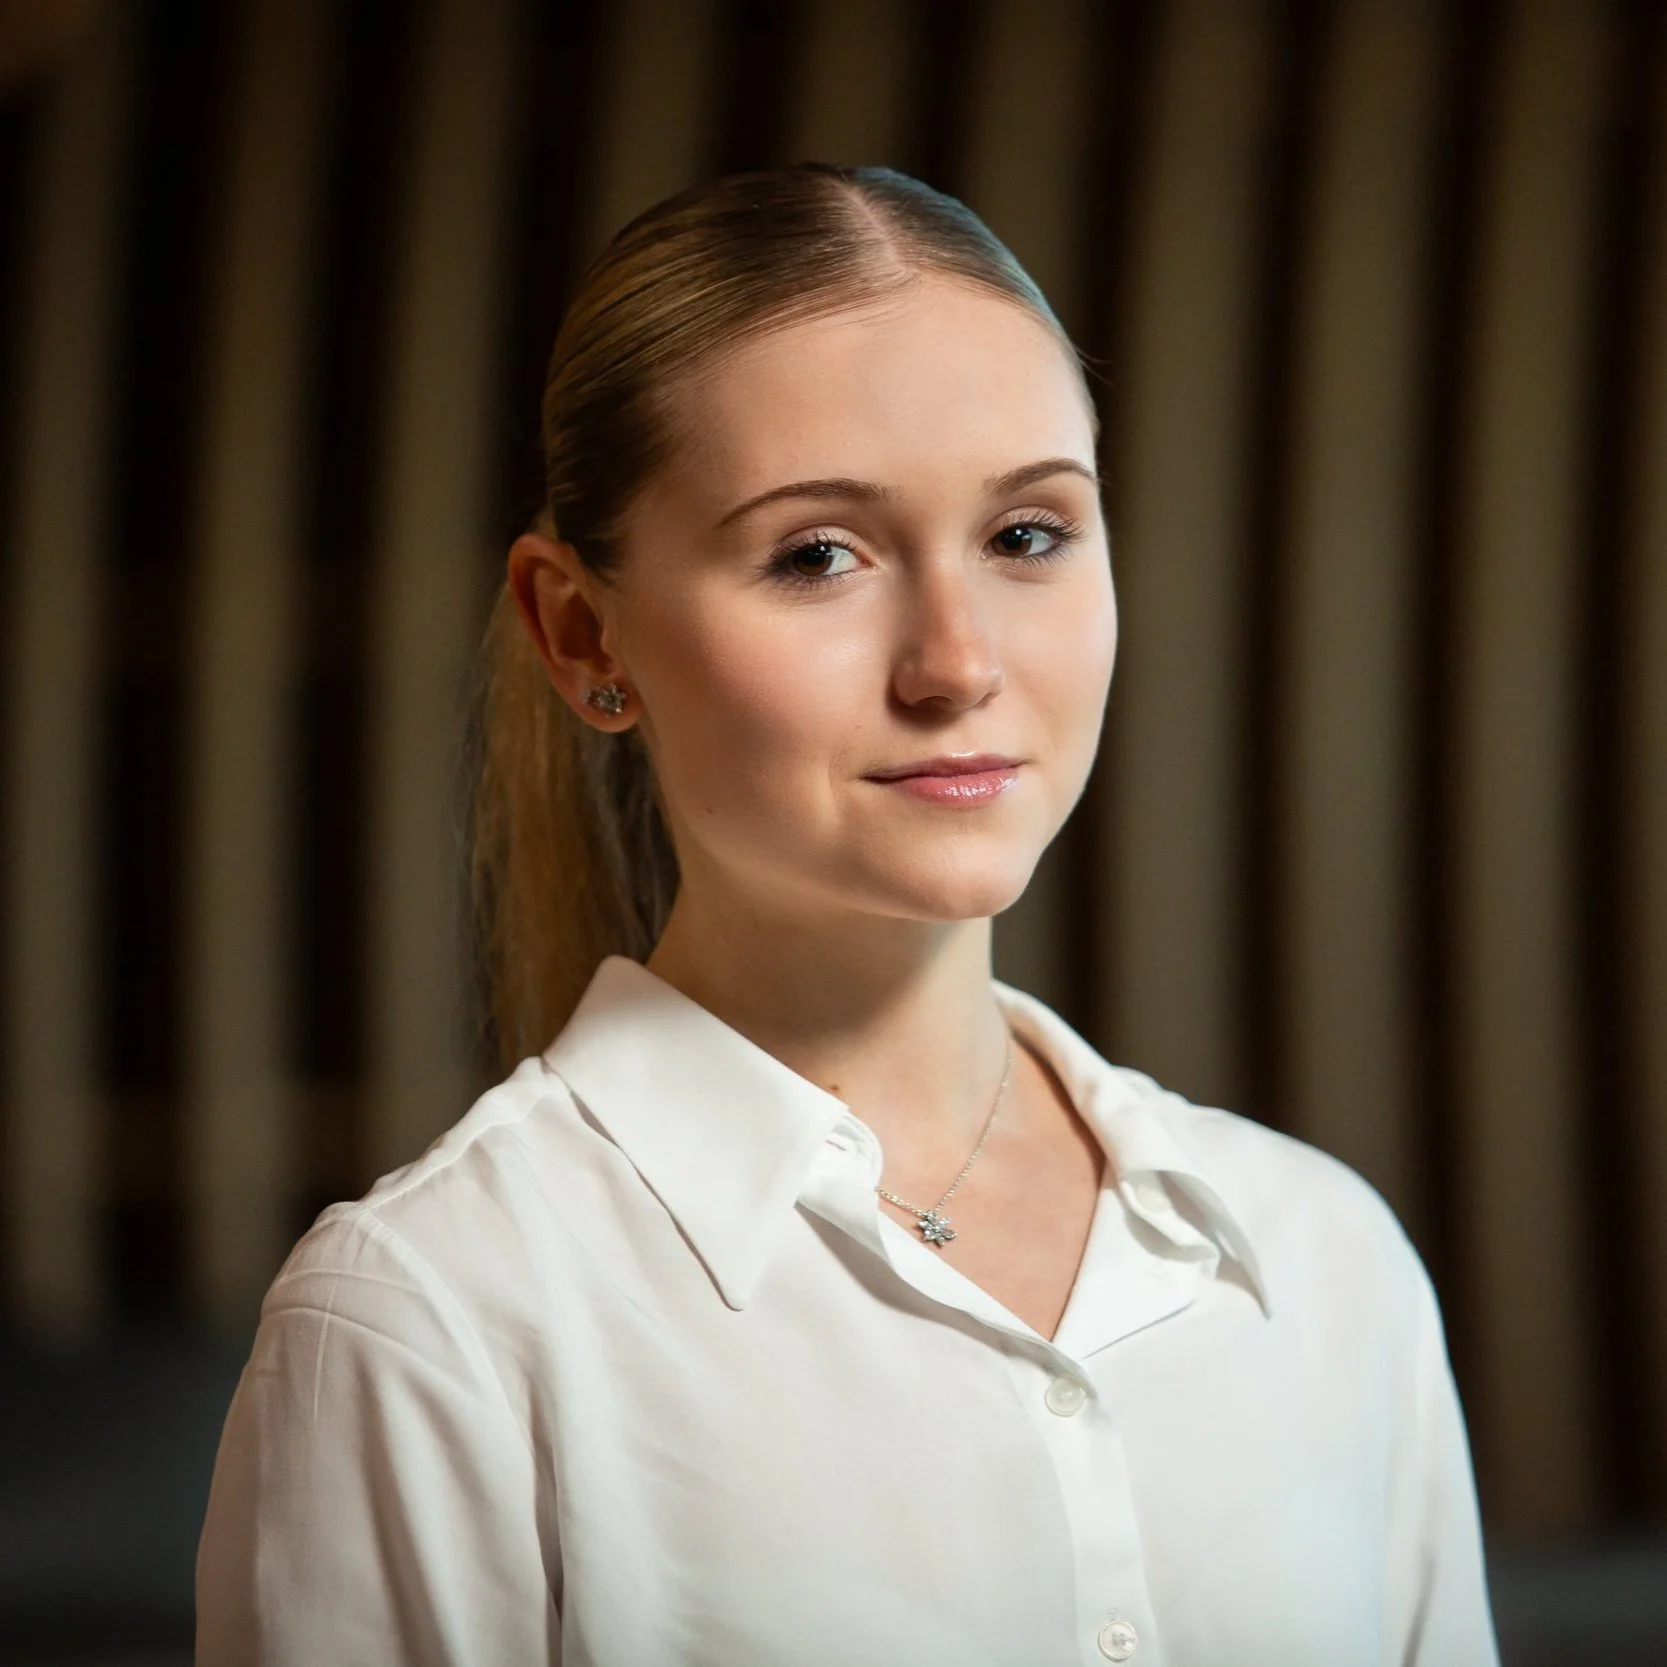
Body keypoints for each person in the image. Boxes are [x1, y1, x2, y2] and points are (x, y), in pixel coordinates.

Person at [194, 164, 1500, 1667]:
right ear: (579, 630)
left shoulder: (1322, 1265)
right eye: (818, 554)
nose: (954, 663)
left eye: (1025, 536)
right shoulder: (440, 1323)